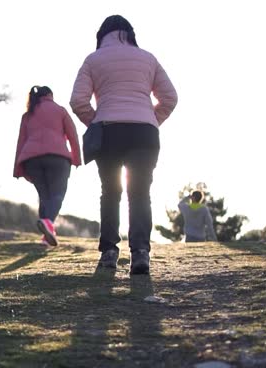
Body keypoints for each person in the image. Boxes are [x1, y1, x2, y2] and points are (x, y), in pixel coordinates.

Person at [70, 15, 178, 274]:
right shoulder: (148, 58)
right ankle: (140, 253)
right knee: (140, 193)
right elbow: (170, 98)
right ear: (130, 33)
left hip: (109, 132)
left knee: (110, 192)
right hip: (145, 134)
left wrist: (95, 122)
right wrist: (151, 119)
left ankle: (109, 252)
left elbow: (78, 101)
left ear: (101, 35)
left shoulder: (92, 60)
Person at [14, 85, 82, 246]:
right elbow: (73, 135)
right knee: (58, 194)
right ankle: (48, 223)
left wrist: (17, 168)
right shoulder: (60, 110)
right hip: (57, 158)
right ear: (50, 95)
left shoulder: (28, 115)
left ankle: (46, 237)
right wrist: (77, 158)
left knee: (44, 197)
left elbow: (21, 141)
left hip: (32, 160)